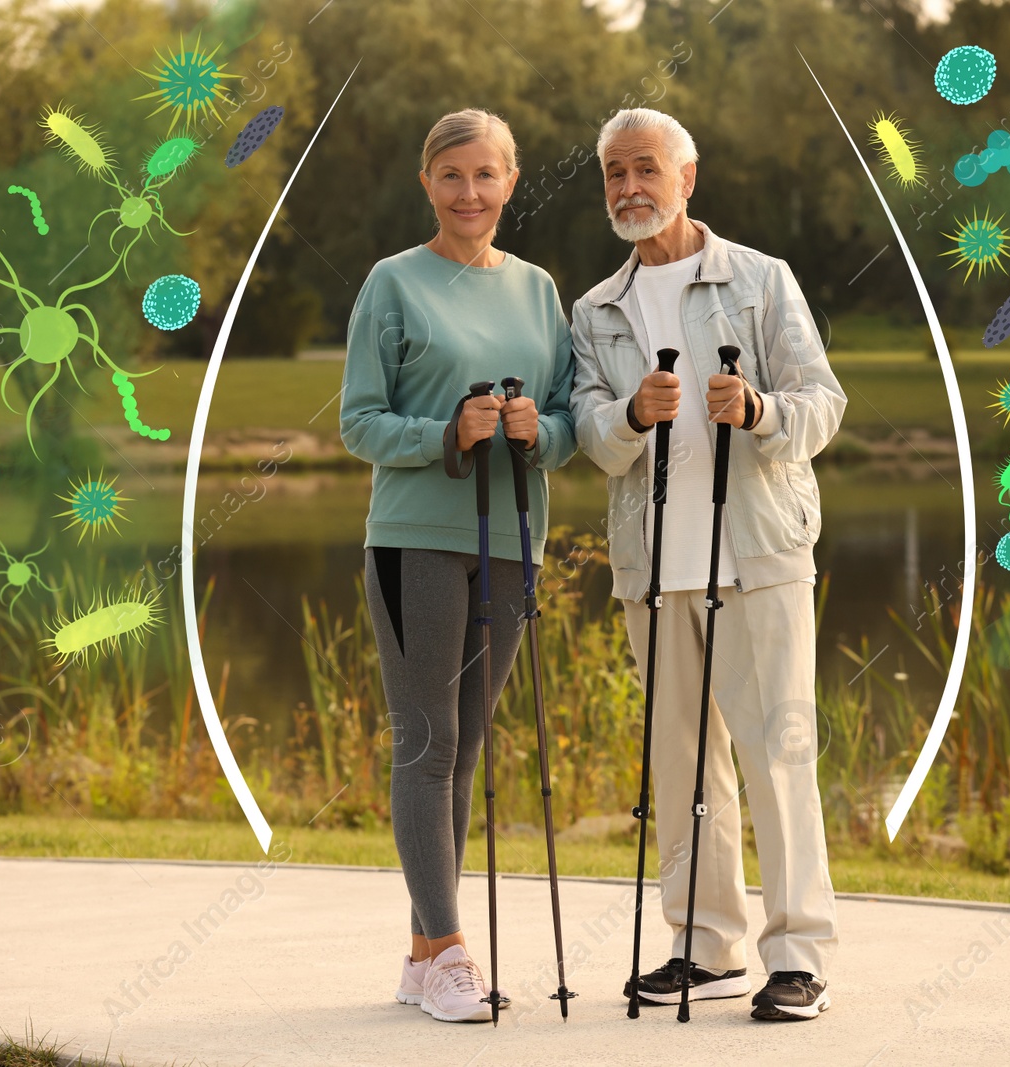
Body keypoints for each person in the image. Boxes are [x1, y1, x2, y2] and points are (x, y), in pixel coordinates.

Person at [569, 107, 846, 1021]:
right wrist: (629, 417)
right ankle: (704, 942)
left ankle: (799, 951)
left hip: (757, 554)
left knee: (779, 753)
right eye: (614, 172)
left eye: (646, 169)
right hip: (653, 568)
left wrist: (761, 410)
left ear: (689, 178)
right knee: (681, 765)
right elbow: (590, 437)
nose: (629, 188)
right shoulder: (596, 308)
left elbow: (823, 404)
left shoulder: (761, 280)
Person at [339, 107, 577, 1024]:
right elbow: (358, 420)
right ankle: (449, 953)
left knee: (467, 748)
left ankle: (419, 955)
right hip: (415, 540)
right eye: (451, 176)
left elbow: (563, 417)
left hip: (511, 542)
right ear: (426, 183)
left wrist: (535, 429)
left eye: (485, 175)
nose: (468, 193)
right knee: (427, 743)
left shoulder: (539, 289)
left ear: (510, 181)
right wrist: (448, 431)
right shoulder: (392, 284)